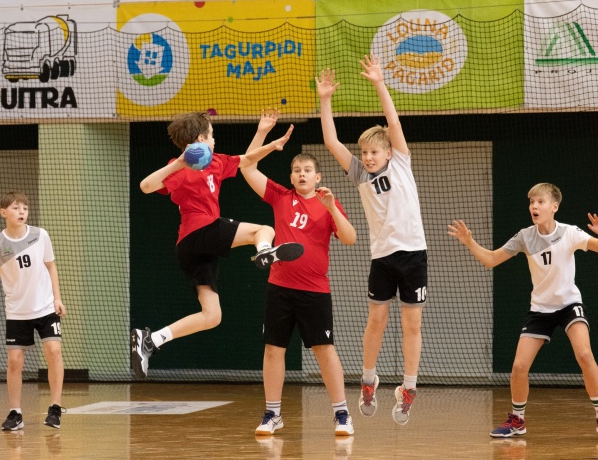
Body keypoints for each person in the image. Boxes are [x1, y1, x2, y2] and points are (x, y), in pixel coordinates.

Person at [130, 111, 303, 379]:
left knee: (212, 316)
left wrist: (269, 141)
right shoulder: (180, 168)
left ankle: (151, 340)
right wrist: (179, 163)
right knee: (264, 230)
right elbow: (145, 186)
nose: (214, 139)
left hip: (193, 249)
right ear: (200, 139)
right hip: (199, 232)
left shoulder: (216, 162)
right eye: (211, 135)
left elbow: (247, 160)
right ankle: (264, 252)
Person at [315, 54, 428, 425]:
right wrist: (325, 100)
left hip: (413, 255)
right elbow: (331, 141)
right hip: (382, 257)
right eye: (364, 153)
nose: (367, 157)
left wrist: (380, 83)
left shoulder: (401, 162)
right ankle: (368, 380)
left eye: (373, 152)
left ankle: (408, 387)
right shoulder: (360, 175)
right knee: (376, 320)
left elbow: (393, 122)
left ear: (388, 152)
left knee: (412, 324)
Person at [448, 183, 598, 437]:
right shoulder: (525, 237)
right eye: (531, 202)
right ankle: (517, 420)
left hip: (569, 305)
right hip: (540, 309)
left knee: (584, 354)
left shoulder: (570, 233)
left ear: (554, 207)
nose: (534, 207)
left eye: (540, 202)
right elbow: (491, 260)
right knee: (518, 367)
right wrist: (469, 242)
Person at [242, 109, 357, 436]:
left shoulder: (327, 203)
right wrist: (262, 133)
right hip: (279, 287)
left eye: (307, 170)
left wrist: (333, 208)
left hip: (315, 291)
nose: (302, 174)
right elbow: (246, 166)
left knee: (324, 350)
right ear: (291, 178)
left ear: (318, 177)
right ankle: (272, 414)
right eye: (296, 170)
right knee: (273, 349)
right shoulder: (281, 197)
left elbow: (350, 238)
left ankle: (342, 414)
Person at [0, 191, 67, 430]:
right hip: (17, 311)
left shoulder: (40, 235)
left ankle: (55, 407)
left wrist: (57, 298)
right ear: (3, 212)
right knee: (14, 361)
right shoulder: (0, 244)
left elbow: (51, 266)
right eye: (16, 208)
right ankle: (15, 413)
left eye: (25, 208)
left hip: (46, 307)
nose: (22, 212)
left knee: (54, 351)